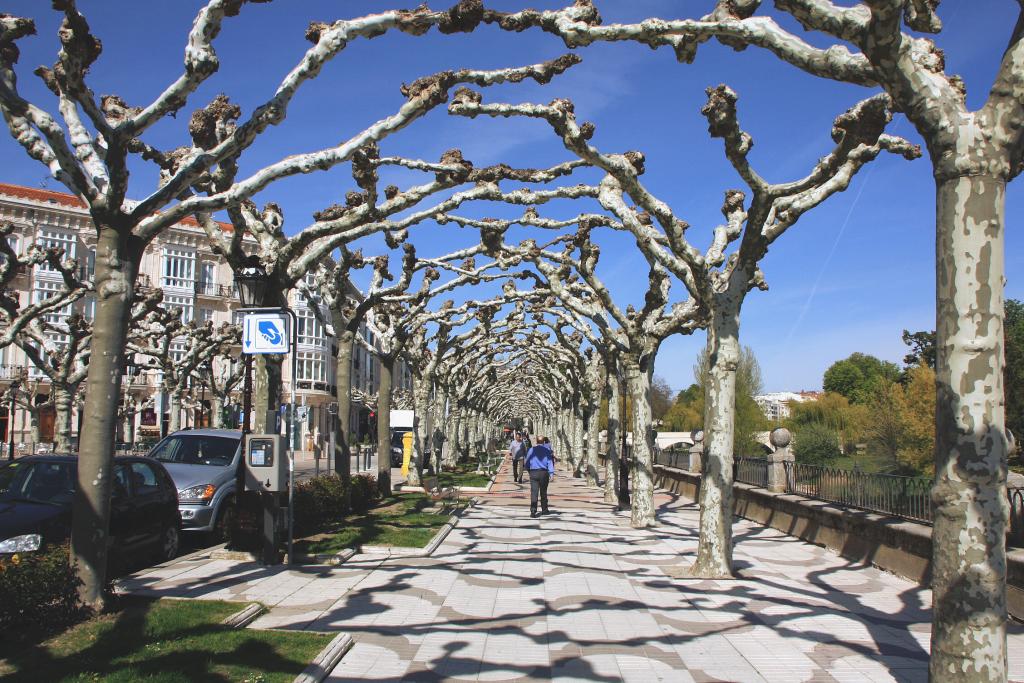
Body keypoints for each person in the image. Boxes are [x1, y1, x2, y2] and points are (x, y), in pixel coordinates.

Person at [524, 436, 555, 518]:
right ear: (544, 442)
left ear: (536, 442)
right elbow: (549, 462)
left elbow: (527, 461)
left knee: (534, 492)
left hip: (533, 472)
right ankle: (544, 509)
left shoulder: (531, 450)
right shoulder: (547, 450)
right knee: (543, 492)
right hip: (544, 473)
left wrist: (529, 470)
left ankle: (533, 511)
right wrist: (551, 473)